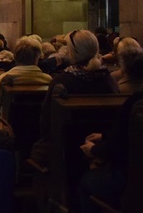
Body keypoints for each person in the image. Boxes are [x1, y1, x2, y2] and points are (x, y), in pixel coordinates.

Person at [33, 29, 119, 166]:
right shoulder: (109, 80)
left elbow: (46, 121)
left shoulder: (61, 82)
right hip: (101, 145)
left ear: (71, 52)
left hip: (67, 148)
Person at [0, 37, 52, 117]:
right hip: (39, 127)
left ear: (15, 57)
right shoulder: (48, 80)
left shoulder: (3, 79)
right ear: (37, 58)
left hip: (9, 126)